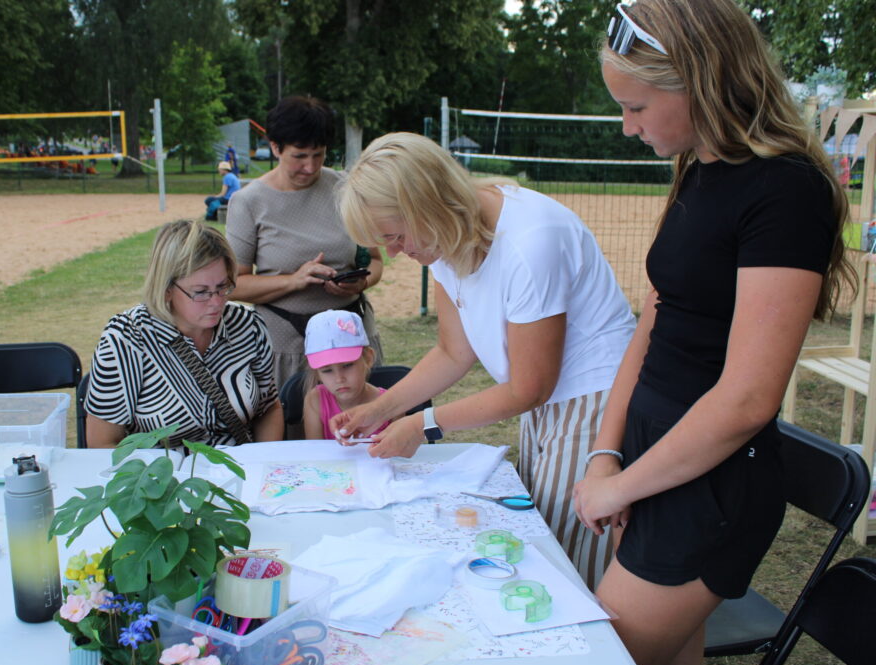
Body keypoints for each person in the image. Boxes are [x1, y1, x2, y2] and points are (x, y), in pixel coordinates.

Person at [569, 1, 855, 665]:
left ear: (699, 80)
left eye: (636, 106)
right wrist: (608, 453)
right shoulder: (700, 167)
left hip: (711, 487)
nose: (626, 125)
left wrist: (622, 484)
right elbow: (655, 321)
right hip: (655, 459)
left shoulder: (786, 191)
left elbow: (748, 397)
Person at [334, 131, 636, 588]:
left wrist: (423, 424)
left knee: (567, 562)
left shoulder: (529, 241)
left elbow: (531, 386)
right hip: (549, 405)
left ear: (428, 204)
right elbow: (453, 352)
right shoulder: (445, 238)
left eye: (395, 236)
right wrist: (380, 409)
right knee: (545, 537)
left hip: (595, 402)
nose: (394, 253)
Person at [226, 95, 384, 393]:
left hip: (351, 345)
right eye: (299, 156)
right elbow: (233, 285)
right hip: (286, 349)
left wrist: (359, 284)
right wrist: (293, 281)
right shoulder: (248, 202)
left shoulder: (345, 188)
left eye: (319, 155)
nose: (310, 167)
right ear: (275, 147)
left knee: (364, 431)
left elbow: (374, 261)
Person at [84, 219, 283, 449]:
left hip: (240, 472)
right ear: (166, 289)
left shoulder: (247, 325)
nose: (217, 302)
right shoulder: (126, 340)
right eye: (201, 292)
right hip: (161, 480)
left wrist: (263, 460)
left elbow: (268, 408)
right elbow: (102, 443)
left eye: (223, 287)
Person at [301, 309, 395, 440]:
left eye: (347, 365)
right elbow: (315, 452)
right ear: (316, 373)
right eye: (327, 370)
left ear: (368, 358)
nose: (339, 378)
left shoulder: (392, 403)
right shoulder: (315, 400)